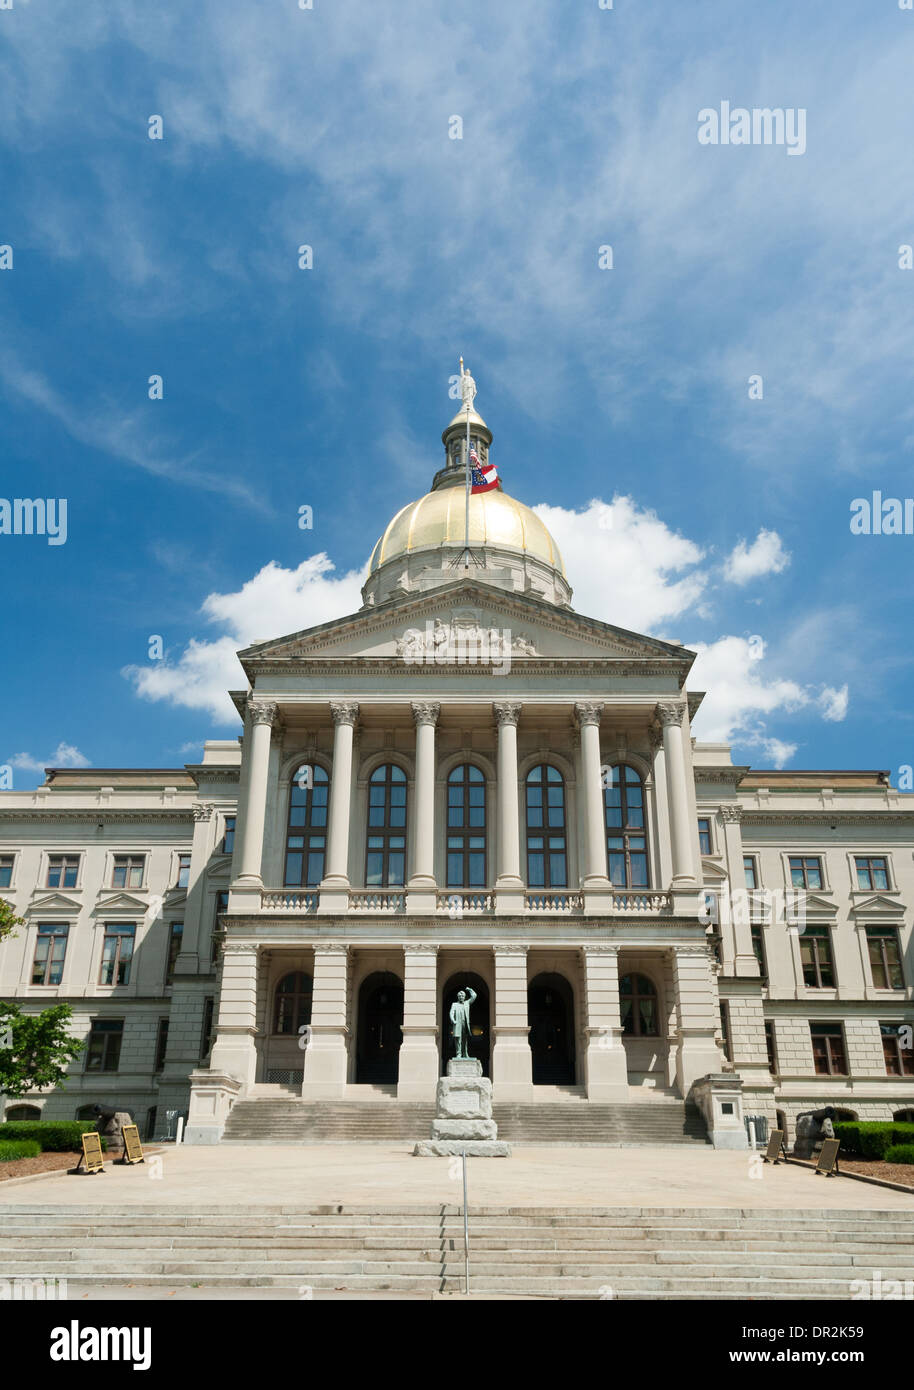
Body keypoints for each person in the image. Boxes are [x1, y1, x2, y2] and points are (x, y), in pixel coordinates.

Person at [450, 987, 477, 1060]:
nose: (461, 997)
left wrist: (469, 989)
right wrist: (453, 1020)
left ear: (465, 997)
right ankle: (458, 1054)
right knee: (458, 1039)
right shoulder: (454, 1004)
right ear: (458, 997)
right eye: (459, 996)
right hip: (457, 1024)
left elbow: (474, 996)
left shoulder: (467, 1003)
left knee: (465, 1039)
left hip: (465, 1024)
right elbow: (451, 1013)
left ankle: (465, 1053)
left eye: (462, 996)